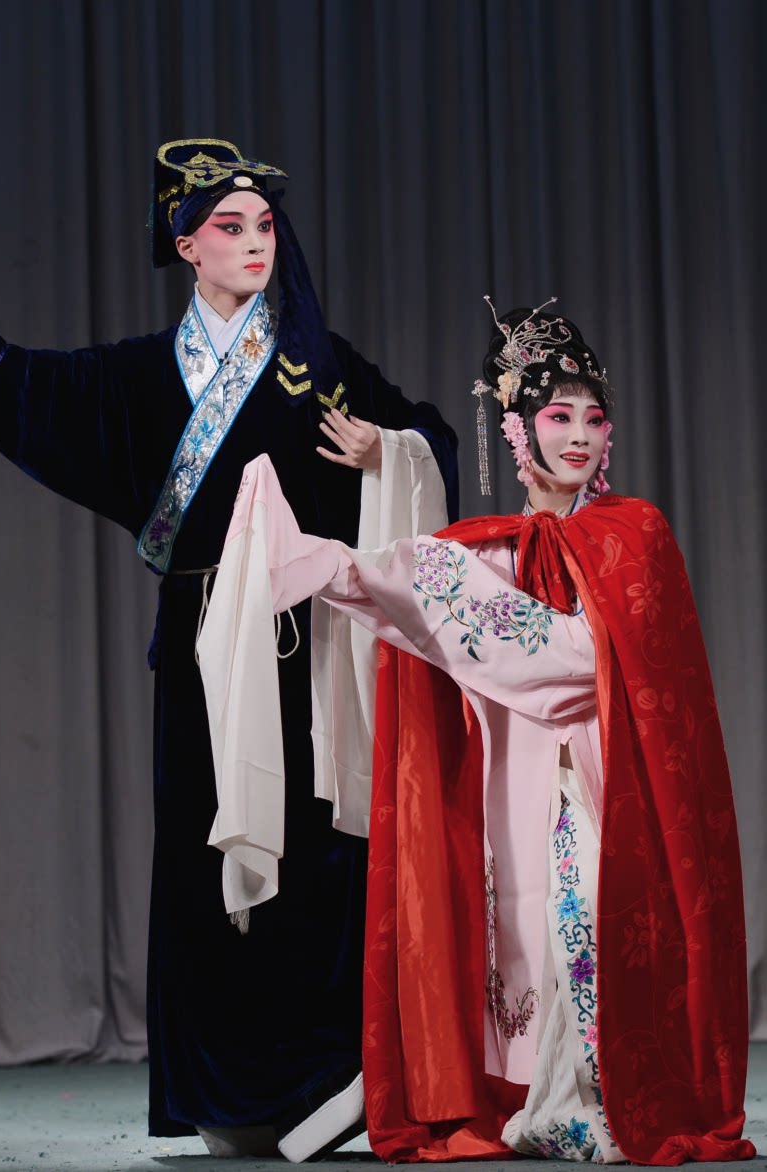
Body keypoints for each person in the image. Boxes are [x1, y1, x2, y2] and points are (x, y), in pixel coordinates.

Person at [0, 140, 459, 1160]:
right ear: (186, 247)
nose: (255, 243)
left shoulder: (318, 362)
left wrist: (387, 448)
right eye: (229, 227)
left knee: (315, 853)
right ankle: (227, 1094)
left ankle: (328, 1071)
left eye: (264, 226)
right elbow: (23, 387)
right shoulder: (134, 377)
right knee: (209, 863)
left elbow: (430, 433)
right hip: (204, 650)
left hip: (303, 648)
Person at [199, 299, 755, 1163]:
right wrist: (311, 557)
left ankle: (601, 1100)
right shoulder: (480, 552)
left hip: (607, 784)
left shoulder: (633, 535)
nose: (580, 436)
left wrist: (449, 603)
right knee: (523, 941)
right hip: (513, 788)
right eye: (559, 417)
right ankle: (541, 1099)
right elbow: (388, 584)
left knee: (589, 923)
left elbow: (576, 661)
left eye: (594, 418)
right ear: (518, 431)